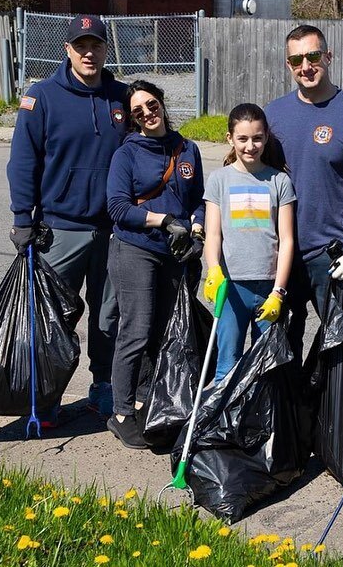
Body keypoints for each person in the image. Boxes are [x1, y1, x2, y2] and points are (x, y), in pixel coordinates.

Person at [6, 14, 128, 426]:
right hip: (60, 229)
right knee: (53, 317)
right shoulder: (42, 98)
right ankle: (47, 395)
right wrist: (24, 218)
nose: (89, 52)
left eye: (96, 45)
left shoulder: (121, 97)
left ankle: (104, 388)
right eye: (81, 46)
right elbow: (23, 163)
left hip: (113, 231)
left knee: (109, 315)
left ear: (106, 49)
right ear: (68, 50)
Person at [264, 24, 343, 359]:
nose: (306, 66)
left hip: (332, 256)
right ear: (288, 65)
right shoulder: (273, 115)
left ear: (328, 57)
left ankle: (337, 412)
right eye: (296, 60)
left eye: (313, 56)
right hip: (282, 252)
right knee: (279, 348)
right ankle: (292, 411)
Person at [105, 80, 205, 449]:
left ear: (162, 103)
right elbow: (118, 208)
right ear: (131, 119)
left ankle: (149, 400)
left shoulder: (187, 149)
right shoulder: (126, 155)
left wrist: (196, 228)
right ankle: (120, 412)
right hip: (136, 249)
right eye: (138, 111)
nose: (147, 113)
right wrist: (162, 221)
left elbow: (198, 200)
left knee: (164, 332)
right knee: (137, 329)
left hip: (176, 254)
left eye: (151, 105)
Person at [202, 103, 296, 383]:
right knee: (226, 363)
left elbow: (287, 239)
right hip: (231, 288)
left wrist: (279, 291)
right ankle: (223, 425)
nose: (250, 146)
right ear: (230, 138)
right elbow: (213, 234)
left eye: (257, 138)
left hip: (268, 287)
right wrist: (213, 269)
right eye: (242, 139)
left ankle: (260, 427)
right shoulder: (219, 179)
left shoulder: (279, 181)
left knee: (265, 368)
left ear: (266, 137)